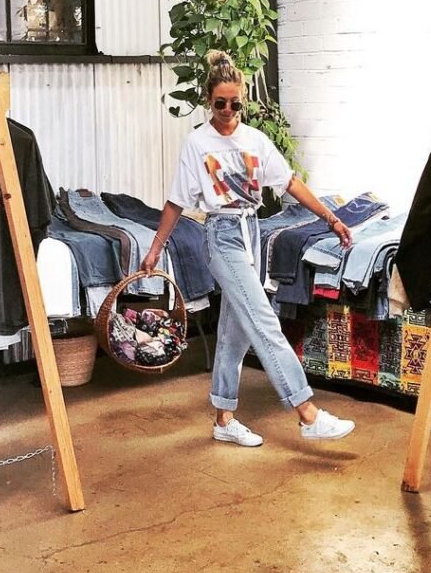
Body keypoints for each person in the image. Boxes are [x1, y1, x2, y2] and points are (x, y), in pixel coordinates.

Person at [141, 49, 356, 448]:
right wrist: (156, 247)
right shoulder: (197, 144)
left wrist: (333, 218)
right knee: (263, 321)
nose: (227, 110)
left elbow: (289, 183)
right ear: (209, 100)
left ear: (243, 100)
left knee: (235, 331)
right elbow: (176, 201)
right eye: (219, 103)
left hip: (251, 232)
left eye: (235, 103)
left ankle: (223, 418)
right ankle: (307, 412)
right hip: (221, 236)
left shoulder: (256, 141)